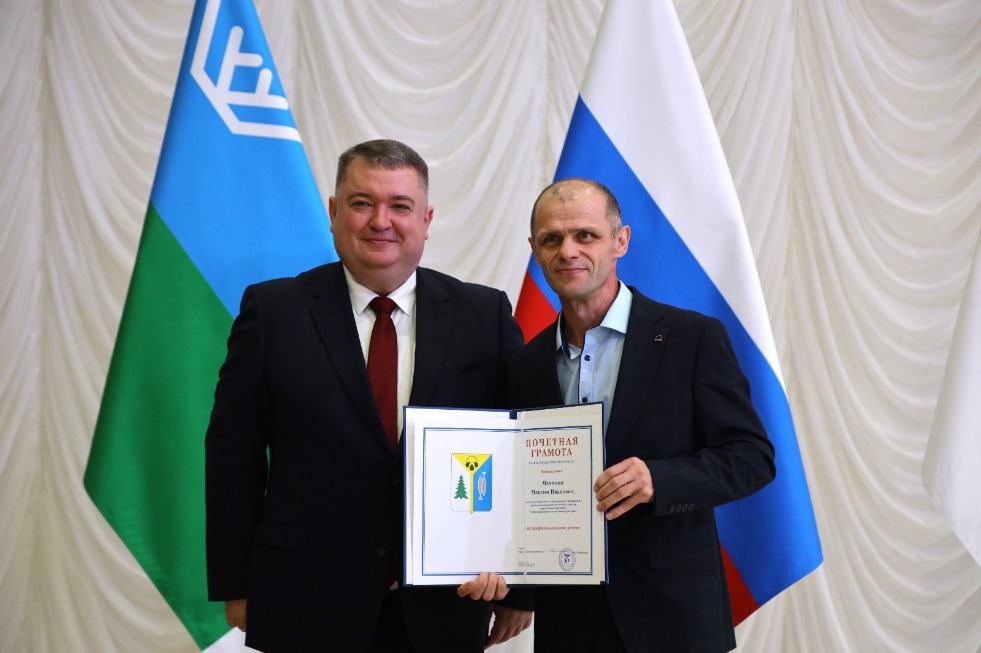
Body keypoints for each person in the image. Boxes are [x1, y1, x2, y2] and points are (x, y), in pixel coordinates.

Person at [205, 139, 532, 652]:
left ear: (426, 219)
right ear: (334, 213)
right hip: (304, 601)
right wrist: (235, 582)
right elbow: (233, 457)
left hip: (445, 605)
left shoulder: (484, 315)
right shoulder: (273, 312)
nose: (381, 221)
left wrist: (523, 584)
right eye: (361, 203)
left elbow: (521, 451)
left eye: (400, 205)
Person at [509, 178, 776, 652]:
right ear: (535, 250)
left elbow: (752, 457)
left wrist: (660, 479)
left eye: (585, 235)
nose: (568, 251)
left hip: (675, 619)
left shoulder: (692, 338)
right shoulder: (525, 363)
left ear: (620, 241)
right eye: (552, 239)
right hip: (569, 621)